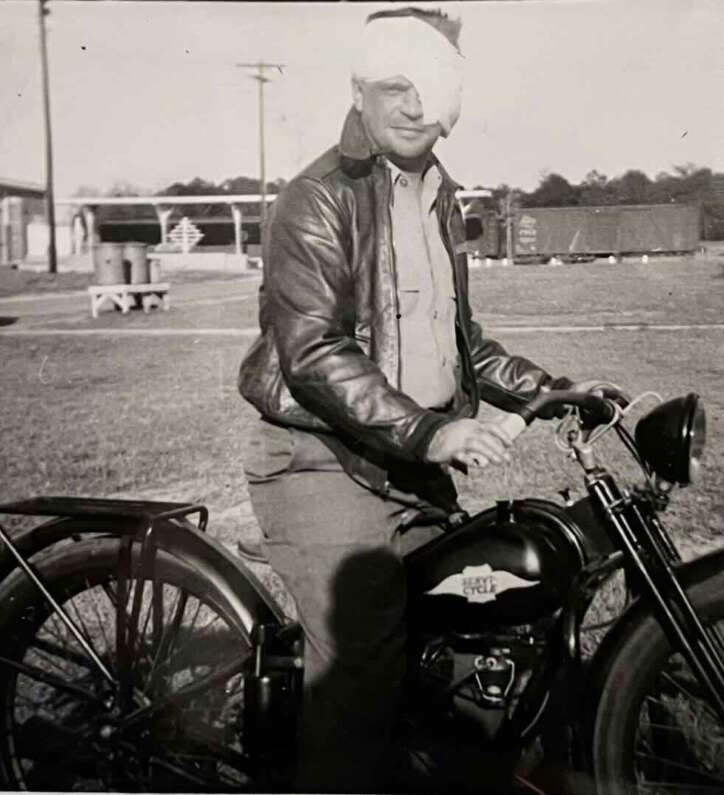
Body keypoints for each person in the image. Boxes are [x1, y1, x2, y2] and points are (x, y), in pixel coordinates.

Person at [238, 7, 610, 791]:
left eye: (430, 86)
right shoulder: (317, 198)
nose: (413, 105)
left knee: (473, 627)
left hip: (402, 462)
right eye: (393, 85)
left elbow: (460, 340)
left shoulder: (437, 196)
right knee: (363, 674)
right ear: (359, 89)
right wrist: (432, 435)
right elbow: (313, 354)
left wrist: (550, 390)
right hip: (322, 463)